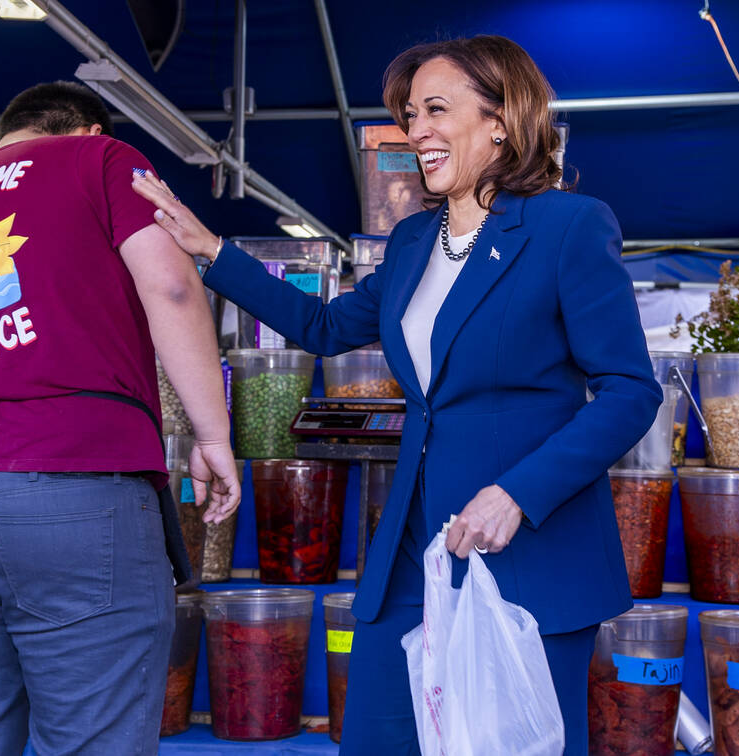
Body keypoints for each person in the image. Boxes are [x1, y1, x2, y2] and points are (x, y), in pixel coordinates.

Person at [133, 35, 659, 754]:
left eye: (436, 110)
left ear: (501, 119)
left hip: (530, 550)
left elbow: (631, 391)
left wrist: (519, 493)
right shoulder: (413, 240)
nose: (416, 133)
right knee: (378, 735)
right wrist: (210, 250)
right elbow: (322, 326)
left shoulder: (569, 226)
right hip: (414, 548)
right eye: (410, 116)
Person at [0, 81, 239, 753]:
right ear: (88, 131)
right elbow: (170, 282)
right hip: (72, 494)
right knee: (92, 740)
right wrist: (213, 435)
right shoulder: (100, 161)